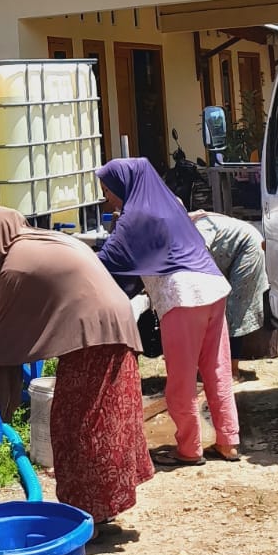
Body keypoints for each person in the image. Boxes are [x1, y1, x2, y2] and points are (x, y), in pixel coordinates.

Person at [0, 205, 154, 536]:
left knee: (78, 426)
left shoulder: (15, 266)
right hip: (109, 328)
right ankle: (98, 511)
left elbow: (9, 335)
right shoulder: (39, 241)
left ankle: (86, 518)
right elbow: (14, 317)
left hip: (93, 339)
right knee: (103, 421)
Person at [96, 157, 241, 467]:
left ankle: (189, 449)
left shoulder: (135, 217)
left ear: (124, 185)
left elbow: (104, 265)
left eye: (107, 190)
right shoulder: (170, 204)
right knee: (217, 369)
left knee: (181, 378)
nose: (107, 198)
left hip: (183, 296)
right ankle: (228, 441)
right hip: (214, 287)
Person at [189, 209, 278, 366]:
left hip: (248, 248)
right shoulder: (187, 226)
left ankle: (233, 370)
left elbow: (197, 258)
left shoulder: (199, 228)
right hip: (229, 254)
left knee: (235, 310)